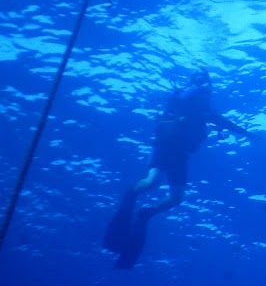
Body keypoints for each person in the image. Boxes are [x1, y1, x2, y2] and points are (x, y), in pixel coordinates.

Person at [103, 71, 246, 268]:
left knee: (177, 198)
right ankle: (131, 195)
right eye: (201, 82)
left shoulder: (206, 111)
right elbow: (179, 100)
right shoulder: (182, 97)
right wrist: (198, 88)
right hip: (165, 147)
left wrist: (248, 134)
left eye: (207, 83)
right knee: (152, 182)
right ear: (194, 84)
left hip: (181, 157)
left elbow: (225, 123)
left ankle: (146, 214)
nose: (206, 86)